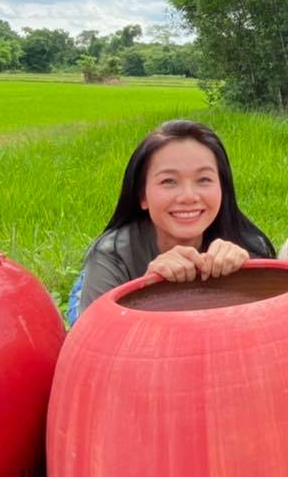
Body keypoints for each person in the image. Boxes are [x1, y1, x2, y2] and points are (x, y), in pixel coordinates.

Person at [65, 119, 275, 324]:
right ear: (142, 196)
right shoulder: (111, 256)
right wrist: (147, 290)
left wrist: (247, 273)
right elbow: (90, 343)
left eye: (204, 180)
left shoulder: (248, 245)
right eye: (169, 181)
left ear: (222, 187)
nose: (188, 196)